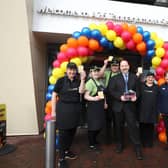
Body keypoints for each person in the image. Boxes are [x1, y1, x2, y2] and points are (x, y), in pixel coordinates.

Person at [51, 62, 86, 168]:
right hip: (63, 109)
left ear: (76, 71)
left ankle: (66, 151)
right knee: (63, 135)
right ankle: (61, 159)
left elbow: (81, 91)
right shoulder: (61, 81)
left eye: (74, 70)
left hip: (75, 109)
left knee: (72, 132)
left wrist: (83, 79)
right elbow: (54, 95)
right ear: (66, 71)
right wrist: (53, 111)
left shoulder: (78, 80)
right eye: (70, 70)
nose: (72, 72)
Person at [108, 60, 143, 160]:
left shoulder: (134, 77)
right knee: (118, 127)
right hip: (118, 106)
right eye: (122, 66)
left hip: (130, 106)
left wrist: (136, 96)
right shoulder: (114, 78)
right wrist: (120, 97)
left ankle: (137, 147)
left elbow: (139, 90)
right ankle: (119, 145)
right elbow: (111, 90)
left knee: (133, 127)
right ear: (120, 67)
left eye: (125, 65)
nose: (124, 67)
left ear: (128, 66)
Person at [84, 65, 107, 151]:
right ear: (91, 73)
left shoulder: (100, 81)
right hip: (93, 107)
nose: (96, 73)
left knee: (99, 126)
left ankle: (94, 140)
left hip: (100, 106)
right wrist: (94, 98)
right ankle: (91, 144)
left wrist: (105, 102)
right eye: (94, 71)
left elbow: (103, 94)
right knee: (93, 126)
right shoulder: (90, 82)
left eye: (97, 71)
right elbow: (86, 96)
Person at [99, 57, 120, 143]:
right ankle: (107, 138)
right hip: (108, 99)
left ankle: (116, 138)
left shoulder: (121, 74)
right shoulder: (107, 73)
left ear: (119, 66)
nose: (115, 67)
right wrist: (105, 64)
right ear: (111, 66)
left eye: (116, 66)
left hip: (117, 99)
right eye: (113, 65)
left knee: (117, 120)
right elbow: (100, 75)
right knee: (107, 120)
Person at [138, 72, 159, 148]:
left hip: (152, 112)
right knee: (142, 127)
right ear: (146, 78)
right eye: (149, 77)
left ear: (154, 78)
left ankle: (150, 142)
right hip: (142, 111)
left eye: (152, 77)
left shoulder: (157, 87)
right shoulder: (141, 86)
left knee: (150, 128)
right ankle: (142, 142)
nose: (150, 78)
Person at [158, 71, 168, 149]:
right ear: (165, 77)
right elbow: (159, 100)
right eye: (167, 76)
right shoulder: (161, 87)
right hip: (165, 112)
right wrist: (160, 111)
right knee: (167, 128)